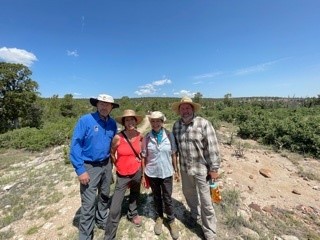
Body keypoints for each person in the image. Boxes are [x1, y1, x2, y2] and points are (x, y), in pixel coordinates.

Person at [70, 94, 119, 240]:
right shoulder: (85, 120)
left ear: (111, 107)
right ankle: (86, 235)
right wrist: (80, 170)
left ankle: (101, 220)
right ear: (96, 105)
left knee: (104, 195)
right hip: (89, 166)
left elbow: (113, 144)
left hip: (106, 164)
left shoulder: (112, 123)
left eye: (107, 104)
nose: (104, 107)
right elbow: (75, 145)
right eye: (101, 104)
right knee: (89, 202)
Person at [171, 96, 221, 240]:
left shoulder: (204, 124)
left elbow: (212, 147)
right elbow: (175, 149)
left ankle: (210, 232)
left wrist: (214, 169)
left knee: (206, 201)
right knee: (189, 194)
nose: (185, 110)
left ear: (192, 109)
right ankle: (194, 214)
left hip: (202, 170)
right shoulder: (176, 126)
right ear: (179, 110)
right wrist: (175, 169)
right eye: (182, 108)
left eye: (188, 107)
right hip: (185, 169)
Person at [104, 109, 144, 240]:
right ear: (124, 122)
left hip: (137, 171)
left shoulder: (140, 136)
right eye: (127, 120)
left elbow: (142, 152)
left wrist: (140, 165)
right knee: (115, 206)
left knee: (134, 193)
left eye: (132, 119)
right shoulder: (118, 137)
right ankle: (109, 235)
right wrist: (117, 165)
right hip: (122, 174)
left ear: (136, 121)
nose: (130, 122)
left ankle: (132, 213)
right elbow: (112, 152)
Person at [141, 111, 180, 239]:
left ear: (162, 122)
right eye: (153, 121)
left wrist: (176, 170)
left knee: (167, 197)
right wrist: (143, 174)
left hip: (167, 172)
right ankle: (159, 217)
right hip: (152, 172)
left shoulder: (169, 135)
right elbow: (143, 156)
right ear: (150, 122)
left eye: (158, 121)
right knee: (157, 196)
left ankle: (171, 220)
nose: (155, 123)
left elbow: (173, 153)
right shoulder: (146, 137)